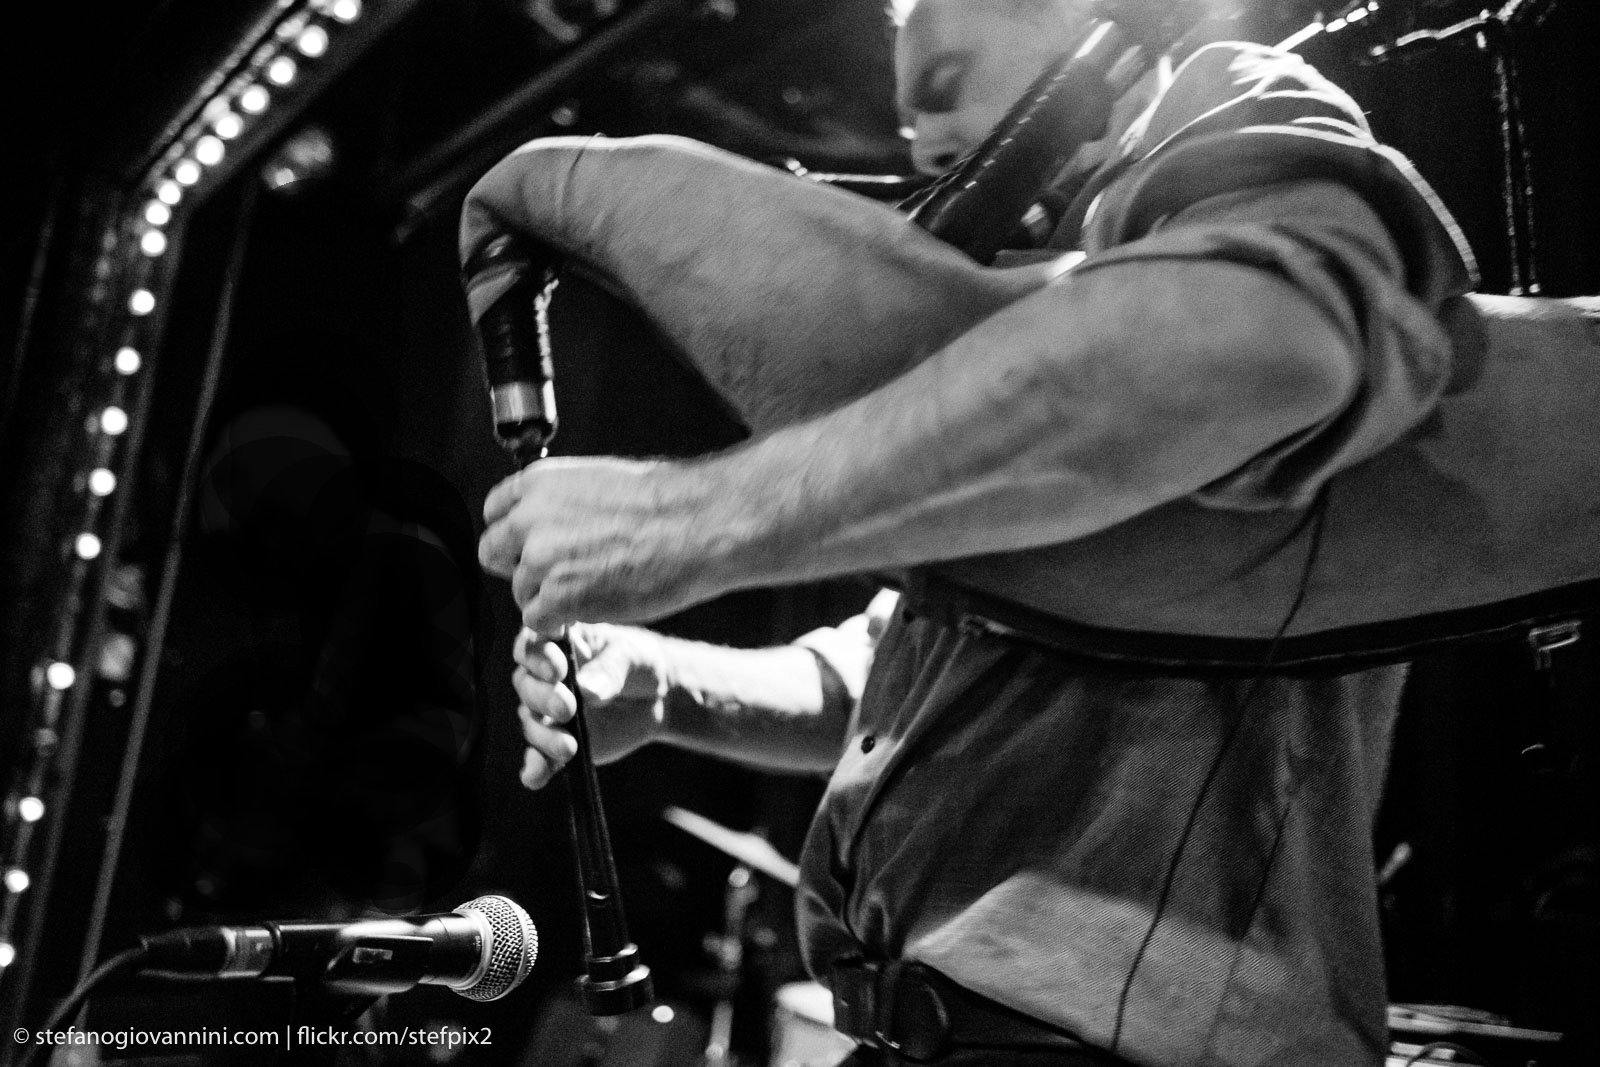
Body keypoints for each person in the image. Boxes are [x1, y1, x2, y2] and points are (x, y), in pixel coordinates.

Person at [474, 0, 1475, 1063]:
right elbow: (889, 671)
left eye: (947, 83)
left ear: (1103, 38)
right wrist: (666, 683)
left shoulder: (1224, 104)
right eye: (907, 117)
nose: (924, 141)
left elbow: (1262, 342)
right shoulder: (997, 368)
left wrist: (690, 518)